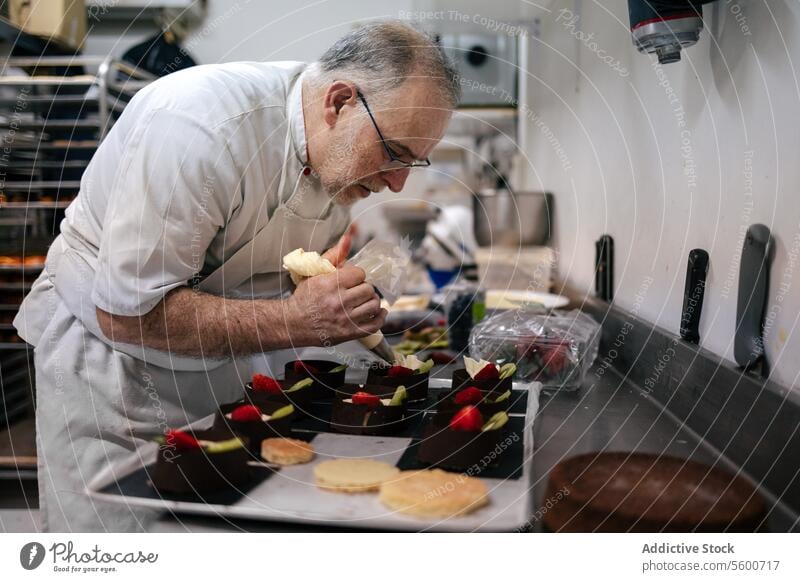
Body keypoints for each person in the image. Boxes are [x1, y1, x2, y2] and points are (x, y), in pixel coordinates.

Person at [13, 21, 459, 532]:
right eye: (393, 153)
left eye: (414, 162)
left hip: (218, 365)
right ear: (340, 102)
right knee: (117, 542)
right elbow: (126, 314)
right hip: (114, 373)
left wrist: (331, 300)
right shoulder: (200, 128)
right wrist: (298, 320)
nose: (398, 181)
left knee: (209, 537)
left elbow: (271, 274)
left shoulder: (335, 159)